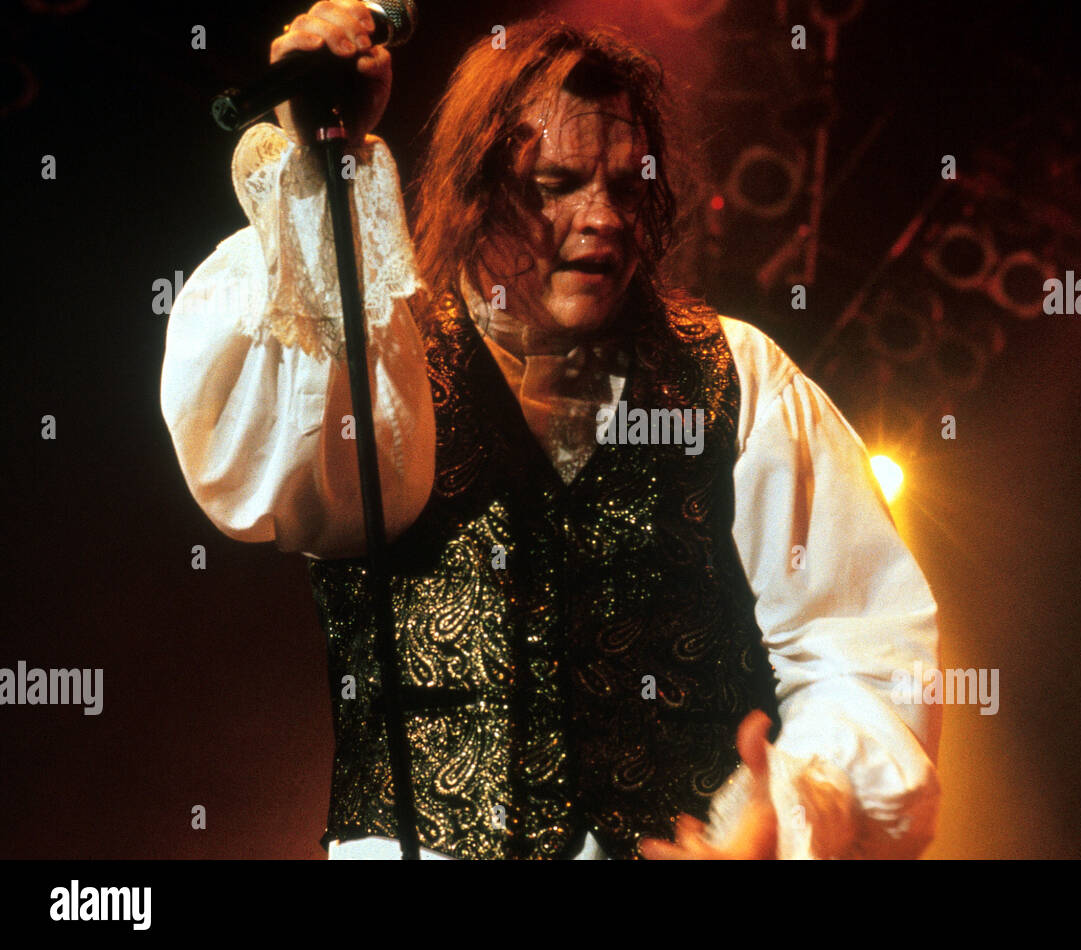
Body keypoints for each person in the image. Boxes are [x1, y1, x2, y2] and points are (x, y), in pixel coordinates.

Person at [160, 2, 941, 860]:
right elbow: (287, 485)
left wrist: (793, 816)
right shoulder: (379, 355)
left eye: (629, 185)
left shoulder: (736, 375)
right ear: (477, 183)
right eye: (560, 184)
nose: (604, 216)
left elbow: (864, 656)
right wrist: (321, 160)